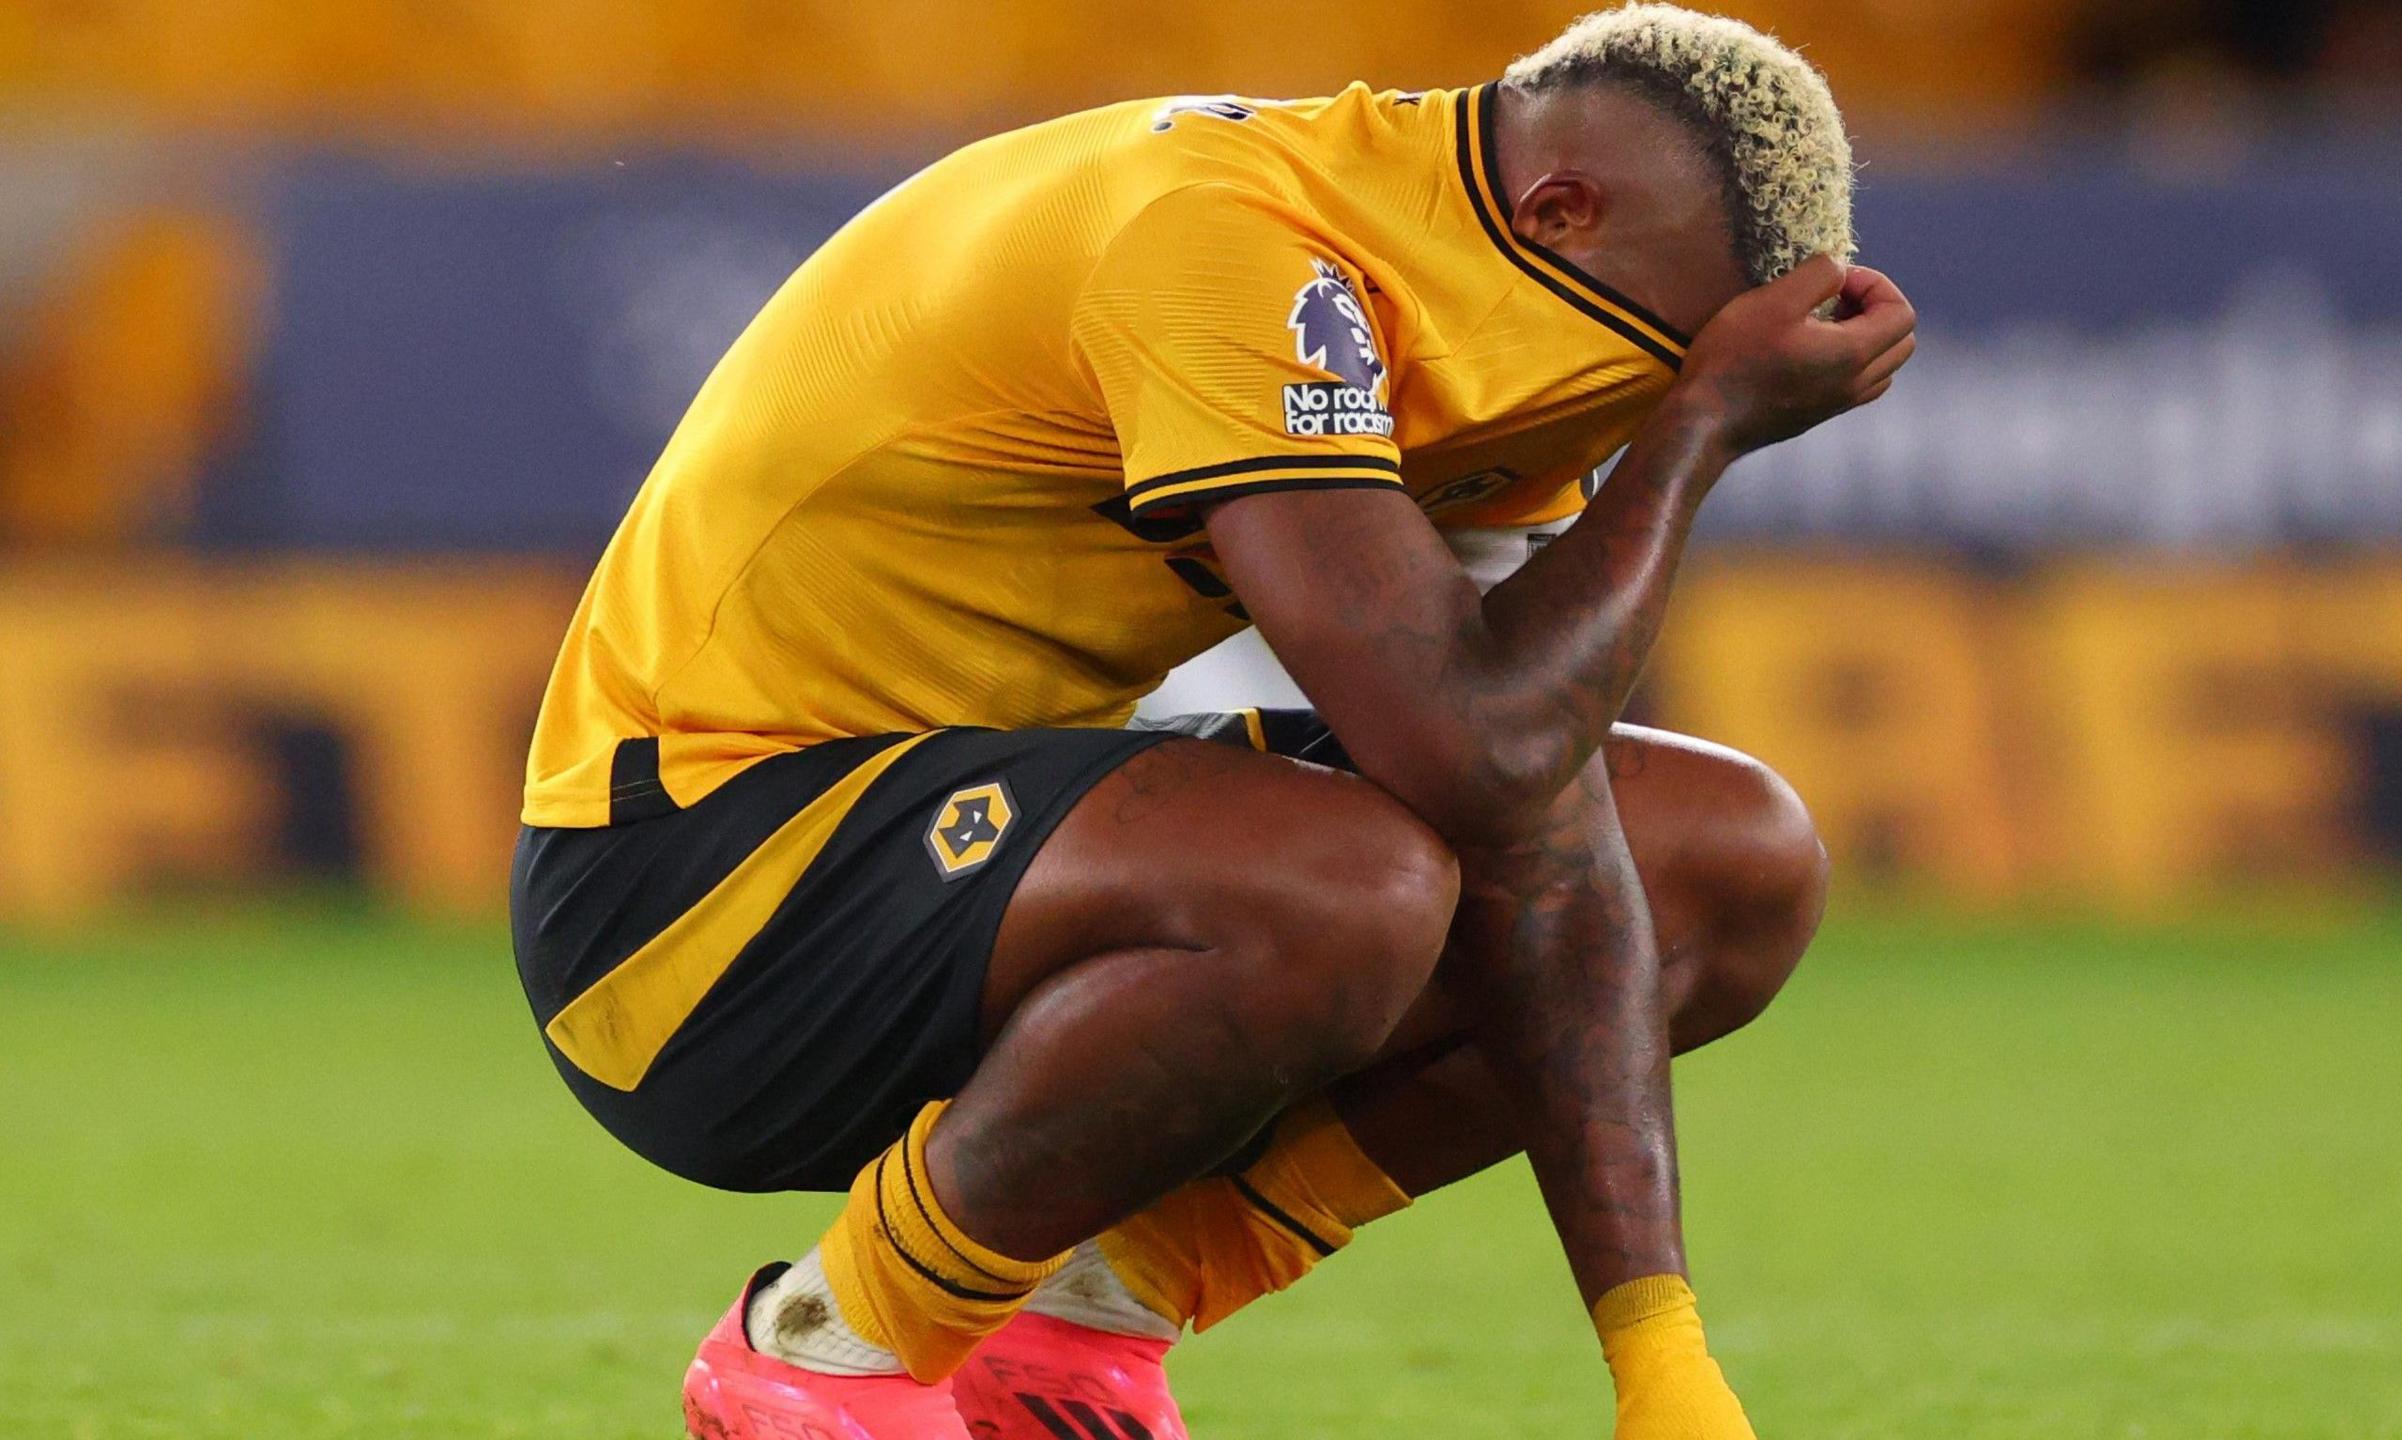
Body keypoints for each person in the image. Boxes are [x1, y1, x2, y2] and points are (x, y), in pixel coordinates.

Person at [508, 5, 1914, 1436]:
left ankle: (1083, 1322)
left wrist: (1657, 1358)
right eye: (1653, 355)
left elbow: (1532, 817)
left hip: (961, 853)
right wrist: (1697, 437)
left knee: (1727, 863)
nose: (1635, 395)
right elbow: (1462, 752)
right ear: (1559, 212)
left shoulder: (1479, 292)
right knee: (1348, 886)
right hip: (688, 901)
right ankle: (824, 1352)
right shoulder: (1234, 240)